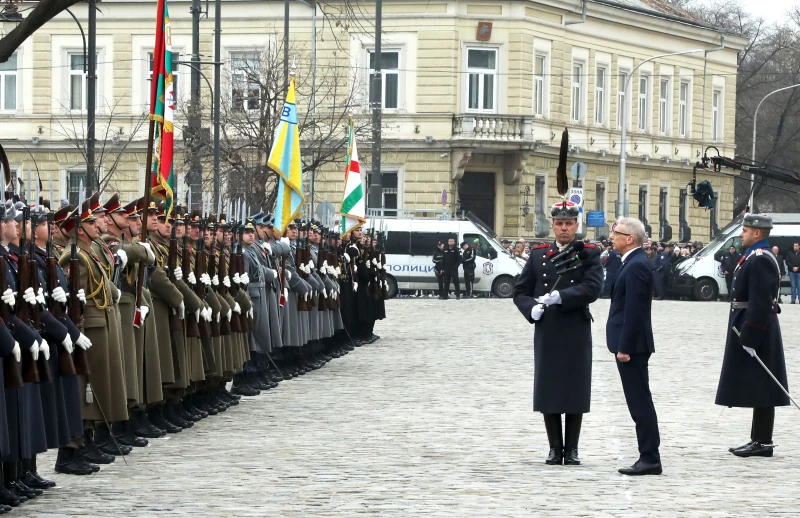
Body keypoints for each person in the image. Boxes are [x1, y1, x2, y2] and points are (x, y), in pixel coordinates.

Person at [512, 201, 602, 466]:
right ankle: (554, 448)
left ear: (577, 225)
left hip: (574, 325)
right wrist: (531, 309)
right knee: (549, 387)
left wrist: (563, 296)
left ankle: (572, 448)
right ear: (552, 226)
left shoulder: (588, 253)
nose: (564, 228)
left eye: (569, 224)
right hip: (548, 327)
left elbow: (593, 287)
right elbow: (520, 291)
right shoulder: (539, 254)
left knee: (574, 386)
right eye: (560, 224)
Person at [716, 214, 789, 458]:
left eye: (745, 231)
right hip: (750, 323)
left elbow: (760, 302)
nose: (741, 234)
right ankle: (758, 439)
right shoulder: (753, 256)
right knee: (759, 383)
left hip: (758, 327)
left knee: (764, 383)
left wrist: (751, 336)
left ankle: (763, 441)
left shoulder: (759, 259)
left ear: (757, 233)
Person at [606, 217, 662, 476]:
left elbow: (635, 311)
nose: (611, 236)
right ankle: (647, 454)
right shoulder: (630, 262)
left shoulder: (637, 265)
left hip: (633, 347)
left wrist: (625, 347)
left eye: (616, 232)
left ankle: (649, 457)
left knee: (640, 403)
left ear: (630, 238)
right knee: (637, 402)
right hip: (630, 344)